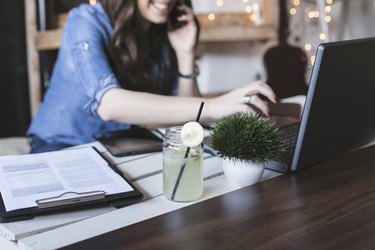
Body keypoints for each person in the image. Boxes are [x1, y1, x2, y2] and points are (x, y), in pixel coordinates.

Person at [27, 0, 278, 153]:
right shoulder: (84, 20)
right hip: (62, 145)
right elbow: (109, 105)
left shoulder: (162, 31)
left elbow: (186, 117)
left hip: (121, 145)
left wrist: (185, 53)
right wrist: (213, 106)